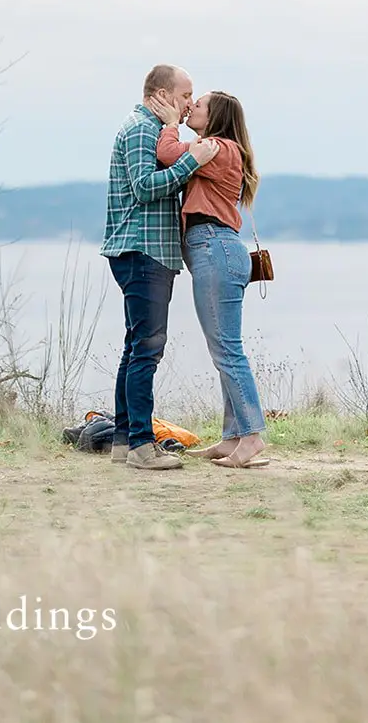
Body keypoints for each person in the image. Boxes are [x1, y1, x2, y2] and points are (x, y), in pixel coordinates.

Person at [101, 64, 220, 471]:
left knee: (136, 346)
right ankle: (141, 446)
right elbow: (145, 187)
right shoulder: (140, 129)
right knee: (147, 350)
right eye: (186, 95)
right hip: (141, 251)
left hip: (150, 252)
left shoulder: (157, 131)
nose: (190, 104)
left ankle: (123, 440)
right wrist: (193, 163)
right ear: (163, 94)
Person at [148, 89, 269, 469]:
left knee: (227, 351)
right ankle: (233, 436)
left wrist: (169, 125)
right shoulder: (221, 149)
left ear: (215, 116)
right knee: (225, 350)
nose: (190, 108)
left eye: (197, 105)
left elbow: (167, 155)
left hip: (215, 248)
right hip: (216, 250)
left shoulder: (218, 147)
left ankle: (251, 436)